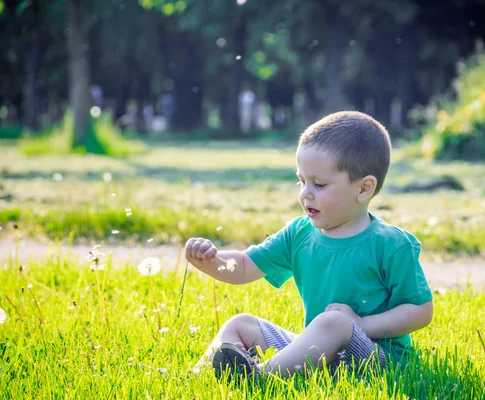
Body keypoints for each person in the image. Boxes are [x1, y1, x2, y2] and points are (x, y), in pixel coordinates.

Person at [184, 111, 433, 378]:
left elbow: (420, 310)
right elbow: (245, 266)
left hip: (378, 361)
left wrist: (361, 324)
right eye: (301, 181)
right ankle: (194, 377)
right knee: (241, 324)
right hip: (317, 352)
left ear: (363, 189)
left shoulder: (391, 244)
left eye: (319, 184)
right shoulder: (299, 233)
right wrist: (213, 261)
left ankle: (260, 377)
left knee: (335, 322)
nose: (305, 193)